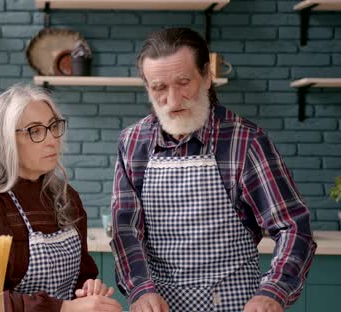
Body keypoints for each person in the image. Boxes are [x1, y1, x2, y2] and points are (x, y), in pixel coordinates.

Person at [110, 28, 316, 312]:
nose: (172, 100)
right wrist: (140, 290)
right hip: (158, 306)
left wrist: (273, 292)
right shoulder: (132, 143)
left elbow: (292, 226)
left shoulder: (246, 141)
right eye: (159, 88)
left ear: (207, 76)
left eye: (183, 82)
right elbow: (126, 230)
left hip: (236, 304)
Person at [0, 84, 122, 312]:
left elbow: (82, 276)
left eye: (53, 126)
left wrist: (87, 290)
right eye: (35, 131)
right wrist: (62, 308)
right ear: (5, 140)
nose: (51, 139)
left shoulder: (66, 197)